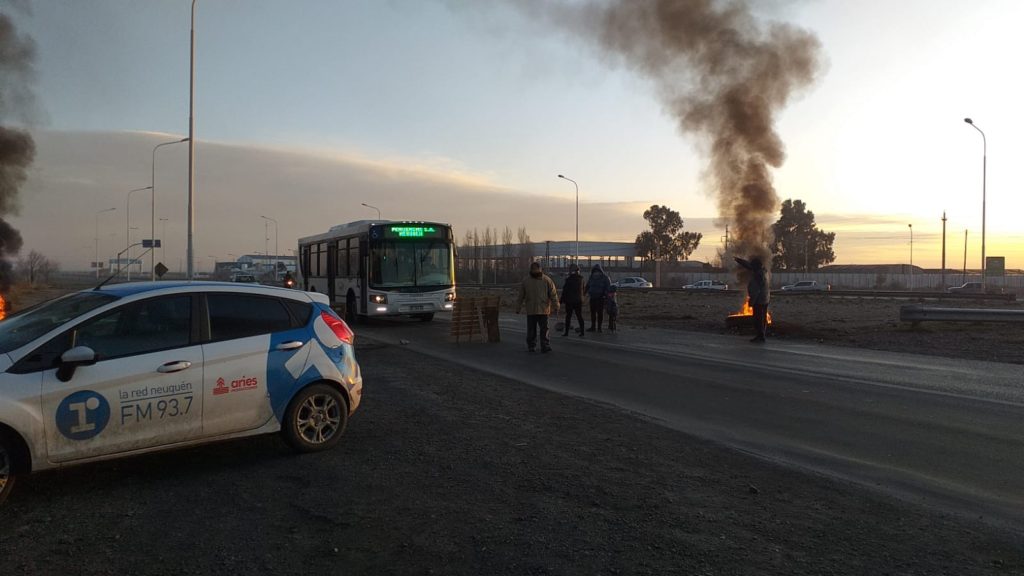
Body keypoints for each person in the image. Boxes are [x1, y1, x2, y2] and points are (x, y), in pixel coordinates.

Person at [515, 261, 559, 353]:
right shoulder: (526, 281)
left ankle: (545, 345)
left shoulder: (547, 280)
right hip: (532, 309)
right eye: (533, 270)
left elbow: (553, 294)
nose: (535, 272)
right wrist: (518, 307)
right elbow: (521, 296)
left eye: (536, 270)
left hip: (543, 309)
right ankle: (532, 345)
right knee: (532, 329)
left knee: (544, 329)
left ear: (540, 270)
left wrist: (556, 305)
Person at [735, 255, 770, 342]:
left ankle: (760, 336)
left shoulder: (758, 275)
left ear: (755, 267)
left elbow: (756, 291)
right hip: (765, 298)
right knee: (763, 318)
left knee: (758, 319)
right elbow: (749, 266)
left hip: (759, 300)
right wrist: (739, 260)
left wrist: (751, 302)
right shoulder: (762, 271)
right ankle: (762, 335)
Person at [559, 264, 586, 337]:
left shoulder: (569, 280)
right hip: (578, 300)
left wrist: (560, 301)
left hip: (570, 301)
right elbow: (583, 289)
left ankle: (566, 332)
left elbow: (565, 291)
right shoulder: (582, 279)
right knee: (579, 316)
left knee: (568, 316)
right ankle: (582, 332)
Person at [584, 264, 611, 332]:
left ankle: (599, 327)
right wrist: (583, 294)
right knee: (593, 313)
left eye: (597, 271)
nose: (596, 273)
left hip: (601, 298)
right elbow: (587, 286)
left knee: (600, 313)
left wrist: (606, 296)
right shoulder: (591, 277)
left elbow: (608, 288)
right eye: (595, 271)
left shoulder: (605, 278)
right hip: (593, 297)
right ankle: (593, 327)